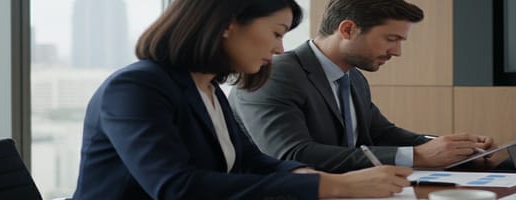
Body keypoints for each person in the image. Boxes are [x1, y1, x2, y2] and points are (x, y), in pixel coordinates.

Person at [74, 0, 412, 199]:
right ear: (228, 25)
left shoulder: (207, 88)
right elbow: (175, 187)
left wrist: (306, 174)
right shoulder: (137, 86)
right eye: (277, 32)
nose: (280, 48)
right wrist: (328, 185)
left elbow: (252, 160)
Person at [230, 0, 494, 173]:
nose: (397, 51)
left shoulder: (353, 77)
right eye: (391, 39)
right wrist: (418, 156)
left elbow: (381, 133)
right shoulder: (276, 74)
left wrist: (454, 147)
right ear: (347, 30)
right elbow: (292, 154)